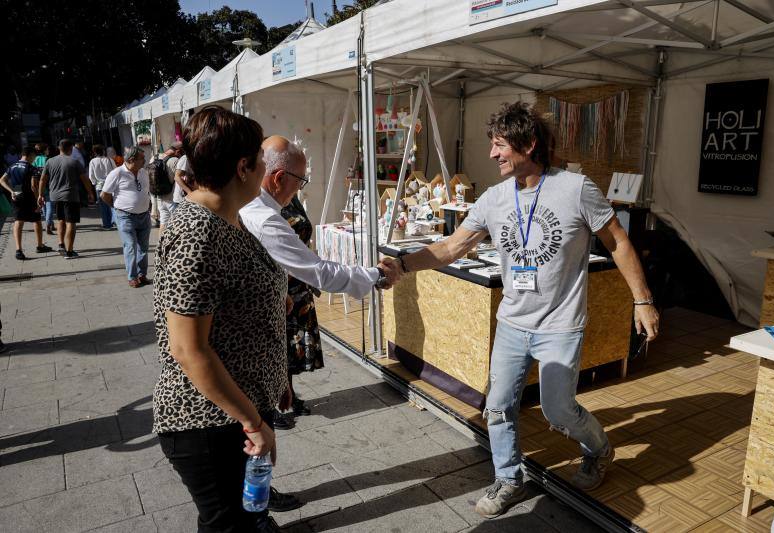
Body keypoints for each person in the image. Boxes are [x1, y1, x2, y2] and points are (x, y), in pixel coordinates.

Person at [387, 102, 660, 518]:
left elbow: (618, 242)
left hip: (560, 325)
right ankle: (509, 478)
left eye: (500, 145)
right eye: (492, 145)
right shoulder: (494, 199)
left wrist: (642, 300)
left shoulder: (575, 188)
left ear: (529, 145)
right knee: (496, 406)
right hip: (513, 322)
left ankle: (599, 448)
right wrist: (404, 264)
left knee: (559, 410)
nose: (493, 154)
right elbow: (451, 246)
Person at [153, 106, 292, 533]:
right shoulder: (197, 231)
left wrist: (274, 380)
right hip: (207, 420)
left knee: (246, 518)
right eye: (261, 160)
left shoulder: (224, 217)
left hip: (238, 405)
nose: (267, 169)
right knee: (227, 525)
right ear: (243, 167)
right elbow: (188, 348)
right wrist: (251, 420)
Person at [240, 136, 401, 429]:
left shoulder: (252, 206)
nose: (300, 188)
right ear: (278, 178)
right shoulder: (263, 218)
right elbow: (319, 271)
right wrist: (376, 275)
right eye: (300, 180)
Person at [101, 147, 152, 288]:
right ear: (131, 160)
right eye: (142, 158)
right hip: (125, 216)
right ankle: (132, 276)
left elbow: (146, 191)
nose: (145, 160)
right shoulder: (117, 173)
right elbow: (104, 195)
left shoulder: (143, 172)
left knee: (143, 247)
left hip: (144, 215)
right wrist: (117, 208)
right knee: (130, 246)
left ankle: (142, 275)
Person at [38, 139, 95, 259]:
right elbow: (85, 179)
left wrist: (40, 194)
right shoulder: (74, 162)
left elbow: (42, 179)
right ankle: (69, 251)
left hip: (55, 196)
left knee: (61, 220)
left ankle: (61, 244)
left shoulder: (50, 161)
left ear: (59, 148)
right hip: (71, 196)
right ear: (70, 149)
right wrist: (90, 193)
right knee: (71, 223)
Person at [0, 146, 52, 259]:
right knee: (37, 220)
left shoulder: (12, 166)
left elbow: (2, 180)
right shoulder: (32, 168)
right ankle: (39, 245)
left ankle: (18, 250)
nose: (34, 158)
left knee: (18, 222)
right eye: (34, 156)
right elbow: (33, 186)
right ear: (30, 155)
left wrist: (11, 191)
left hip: (17, 197)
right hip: (30, 198)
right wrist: (39, 198)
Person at [153, 142, 182, 232]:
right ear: (178, 151)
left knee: (163, 223)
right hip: (172, 199)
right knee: (178, 225)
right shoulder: (175, 161)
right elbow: (179, 179)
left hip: (159, 197)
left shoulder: (155, 157)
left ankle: (161, 245)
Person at [88, 144, 117, 229]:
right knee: (113, 204)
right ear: (103, 151)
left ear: (94, 152)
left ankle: (106, 224)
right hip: (111, 184)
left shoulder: (92, 161)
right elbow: (115, 171)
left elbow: (91, 176)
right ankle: (115, 221)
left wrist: (95, 183)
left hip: (99, 186)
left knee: (103, 206)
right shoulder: (109, 160)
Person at [40, 145, 58, 234]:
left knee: (43, 206)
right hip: (49, 186)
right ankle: (48, 225)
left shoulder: (36, 159)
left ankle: (51, 224)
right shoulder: (50, 160)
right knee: (50, 206)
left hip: (39, 186)